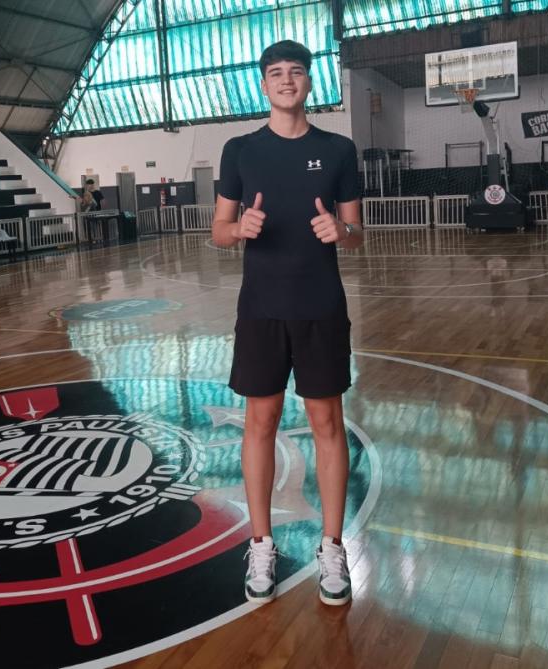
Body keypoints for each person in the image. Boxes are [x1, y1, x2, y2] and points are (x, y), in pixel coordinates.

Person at [211, 40, 363, 607]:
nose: (286, 80)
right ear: (263, 84)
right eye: (275, 73)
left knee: (327, 424)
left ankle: (331, 545)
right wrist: (240, 228)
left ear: (308, 83)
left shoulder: (340, 148)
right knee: (260, 423)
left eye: (296, 72)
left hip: (322, 306)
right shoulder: (240, 150)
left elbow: (356, 229)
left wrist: (341, 234)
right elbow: (217, 231)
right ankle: (260, 543)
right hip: (261, 309)